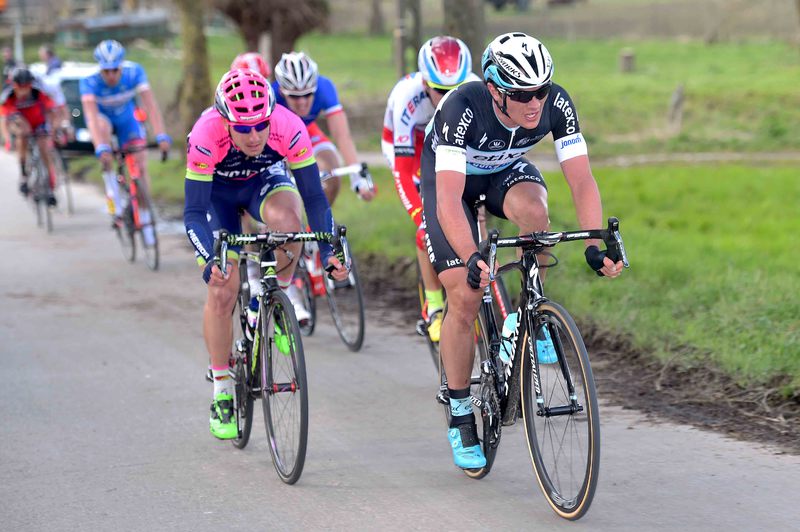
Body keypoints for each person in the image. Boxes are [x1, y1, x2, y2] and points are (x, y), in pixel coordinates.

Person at [421, 32, 624, 470]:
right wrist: (471, 256)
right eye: (521, 94)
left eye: (541, 90)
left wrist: (595, 243)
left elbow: (581, 180)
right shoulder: (461, 107)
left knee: (535, 212)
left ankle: (525, 314)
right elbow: (447, 200)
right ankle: (460, 411)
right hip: (451, 186)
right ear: (495, 89)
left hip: (503, 171)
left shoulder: (556, 103)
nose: (535, 104)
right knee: (465, 296)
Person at [183, 68, 350, 440]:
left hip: (264, 182)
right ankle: (222, 389)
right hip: (217, 196)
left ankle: (275, 298)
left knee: (290, 224)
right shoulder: (205, 134)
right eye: (244, 128)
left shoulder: (288, 126)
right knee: (223, 288)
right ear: (225, 121)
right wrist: (209, 261)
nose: (255, 135)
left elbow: (314, 198)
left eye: (261, 125)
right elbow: (193, 212)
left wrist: (329, 251)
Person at [381, 36, 476, 343]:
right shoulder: (407, 97)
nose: (448, 98)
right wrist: (420, 216)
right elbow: (402, 171)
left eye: (455, 90)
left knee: (472, 210)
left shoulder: (475, 88)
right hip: (412, 148)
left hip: (450, 143)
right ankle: (433, 307)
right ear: (424, 83)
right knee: (428, 226)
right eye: (440, 91)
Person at [79, 39, 171, 246]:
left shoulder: (134, 72)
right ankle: (113, 199)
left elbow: (151, 105)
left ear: (121, 66)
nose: (111, 75)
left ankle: (145, 217)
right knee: (103, 134)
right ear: (100, 68)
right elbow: (91, 117)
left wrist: (161, 135)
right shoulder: (89, 81)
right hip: (103, 120)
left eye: (115, 70)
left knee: (140, 162)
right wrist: (100, 146)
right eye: (106, 71)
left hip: (126, 120)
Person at [272, 51, 375, 206]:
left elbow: (342, 135)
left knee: (330, 176)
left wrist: (357, 177)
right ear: (281, 91)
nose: (302, 102)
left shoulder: (324, 88)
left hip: (307, 131)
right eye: (294, 96)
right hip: (278, 137)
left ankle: (319, 221)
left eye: (308, 94)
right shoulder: (271, 96)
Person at [0, 67, 59, 204]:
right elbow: (4, 121)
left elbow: (52, 110)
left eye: (26, 86)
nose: (23, 90)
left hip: (39, 123)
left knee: (44, 147)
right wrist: (7, 140)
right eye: (19, 86)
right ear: (13, 85)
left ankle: (49, 182)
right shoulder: (8, 97)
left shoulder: (38, 93)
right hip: (21, 125)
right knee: (21, 133)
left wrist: (53, 130)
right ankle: (24, 174)